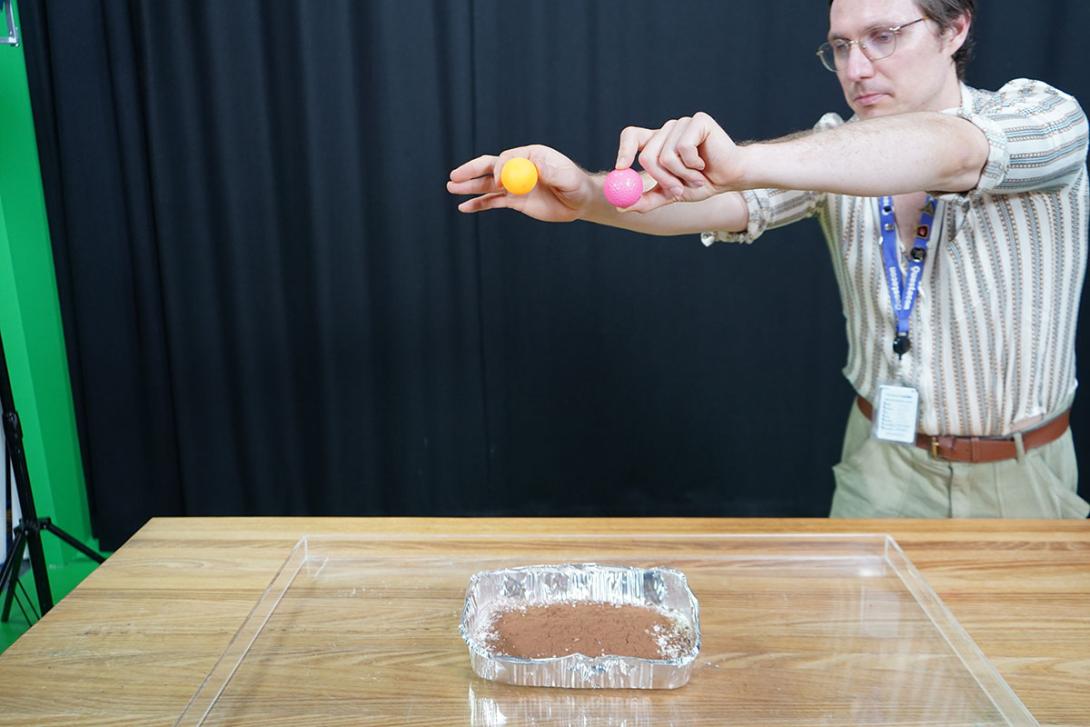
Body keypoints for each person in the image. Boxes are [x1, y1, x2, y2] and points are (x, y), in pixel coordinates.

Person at [447, 0, 1090, 518]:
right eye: (840, 46)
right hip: (881, 467)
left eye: (882, 36)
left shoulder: (1047, 117)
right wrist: (585, 194)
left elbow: (953, 151)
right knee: (868, 676)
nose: (857, 68)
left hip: (1022, 478)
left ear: (955, 28)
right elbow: (714, 204)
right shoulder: (829, 150)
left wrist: (742, 161)